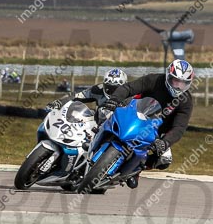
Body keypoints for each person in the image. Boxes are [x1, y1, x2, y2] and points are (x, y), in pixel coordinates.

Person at [102, 59, 195, 189]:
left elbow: (179, 127)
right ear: (168, 76)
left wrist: (165, 142)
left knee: (165, 159)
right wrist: (114, 100)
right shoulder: (154, 80)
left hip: (155, 131)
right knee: (103, 115)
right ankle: (89, 141)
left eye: (183, 83)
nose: (179, 86)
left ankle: (136, 169)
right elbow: (128, 88)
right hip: (133, 113)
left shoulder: (186, 101)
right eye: (176, 81)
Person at [46, 68, 128, 114]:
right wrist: (60, 102)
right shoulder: (98, 89)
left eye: (116, 89)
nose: (112, 91)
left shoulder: (131, 95)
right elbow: (77, 96)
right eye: (109, 88)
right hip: (99, 125)